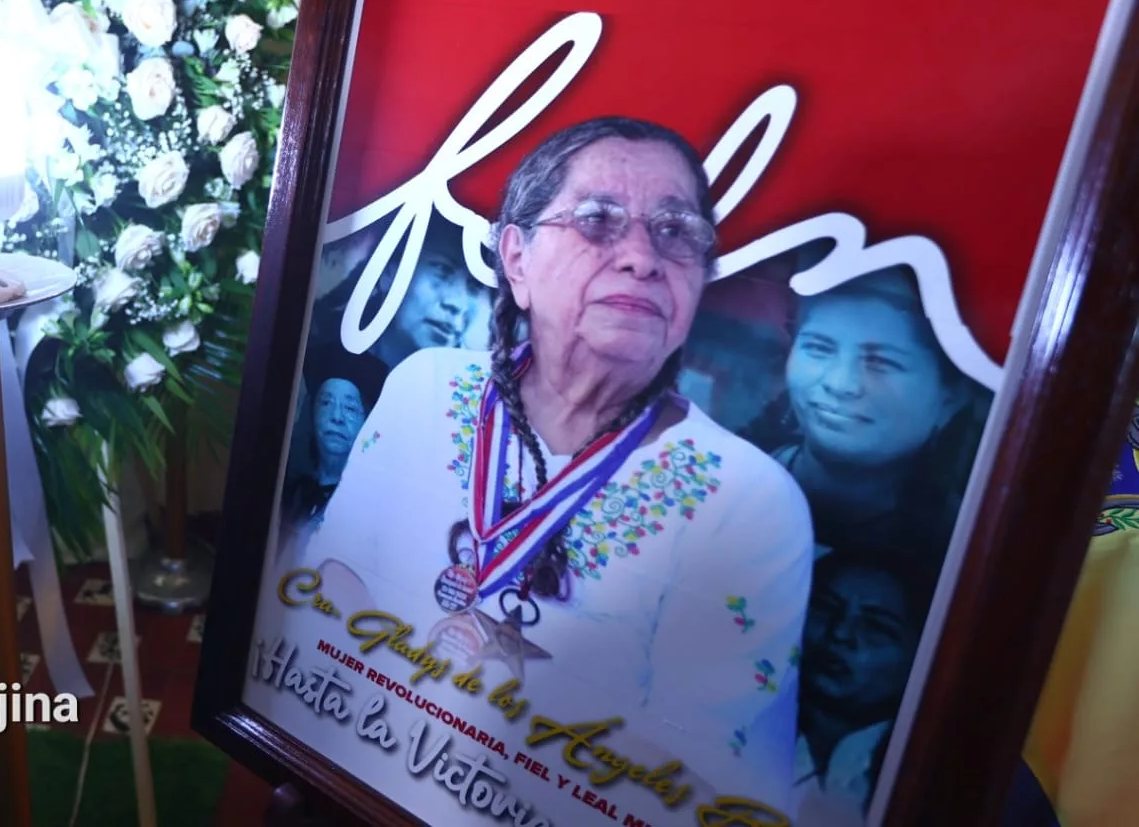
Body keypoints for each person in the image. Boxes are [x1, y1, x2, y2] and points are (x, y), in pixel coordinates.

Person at [298, 116, 816, 816]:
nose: (641, 257)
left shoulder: (749, 503)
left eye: (674, 231)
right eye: (598, 220)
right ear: (516, 259)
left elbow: (678, 775)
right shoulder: (425, 388)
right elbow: (332, 584)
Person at [752, 267, 986, 568]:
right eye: (819, 348)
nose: (840, 384)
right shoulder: (725, 481)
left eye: (880, 362)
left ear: (951, 397)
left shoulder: (963, 548)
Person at [793, 550, 933, 826]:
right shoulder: (734, 729)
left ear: (920, 654)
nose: (840, 633)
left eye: (875, 626)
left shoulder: (930, 778)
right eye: (825, 608)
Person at [306, 212, 489, 368]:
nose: (456, 304)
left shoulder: (471, 392)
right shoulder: (317, 363)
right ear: (390, 270)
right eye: (442, 270)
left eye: (474, 287)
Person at [277, 343, 390, 536]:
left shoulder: (371, 505)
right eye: (326, 402)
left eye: (350, 408)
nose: (336, 417)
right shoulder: (290, 491)